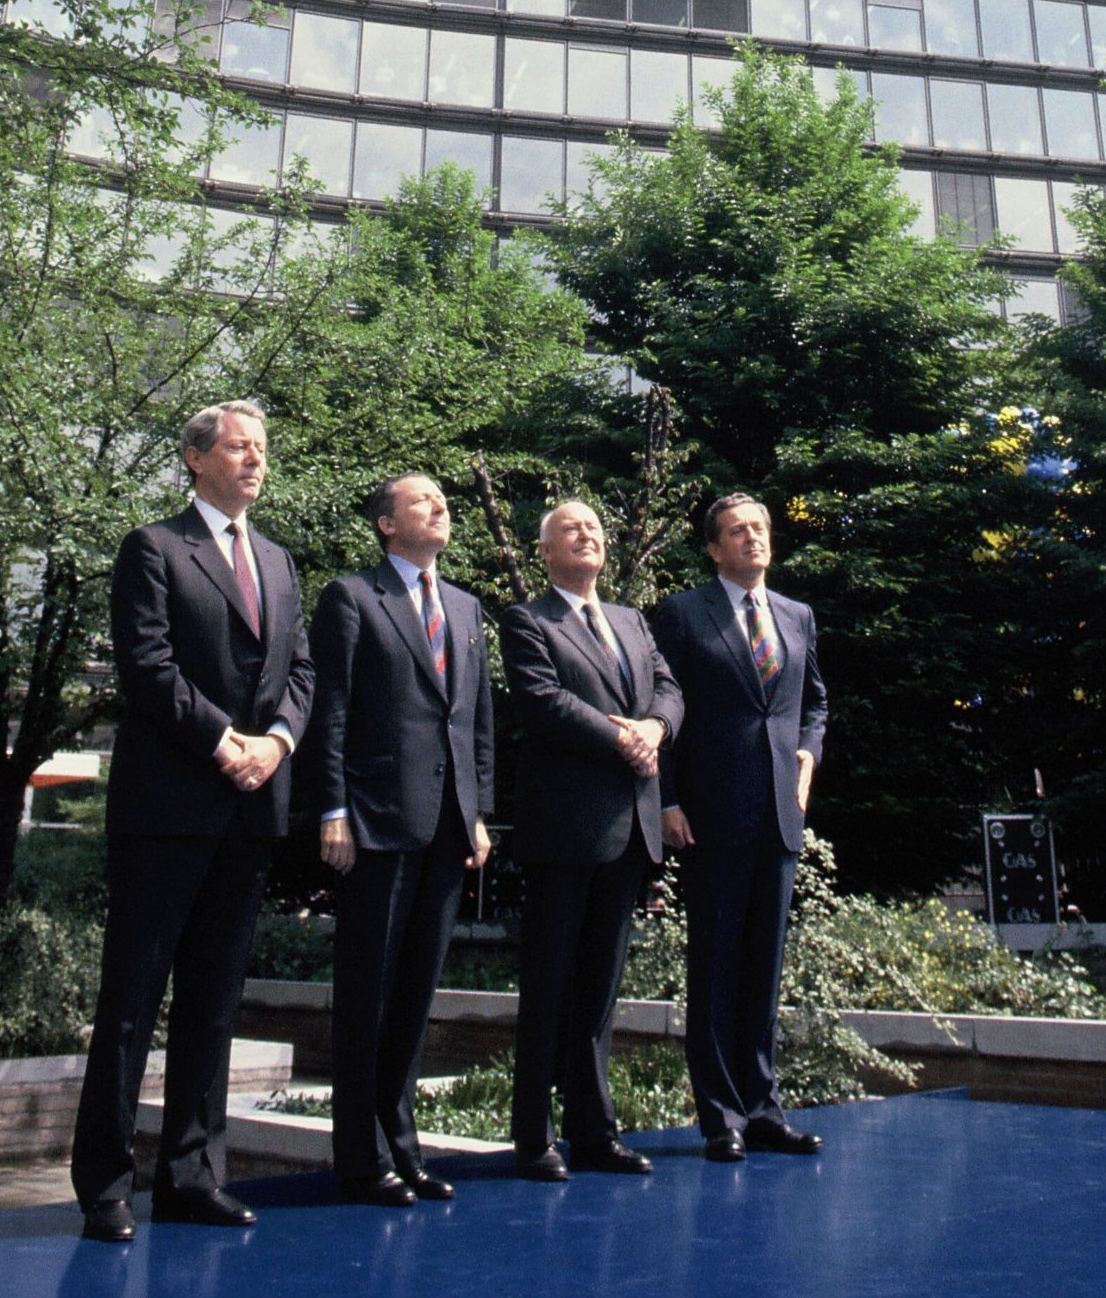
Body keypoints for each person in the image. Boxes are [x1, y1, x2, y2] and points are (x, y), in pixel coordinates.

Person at [71, 400, 314, 1247]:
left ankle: (190, 1175)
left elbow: (301, 674)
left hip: (250, 810)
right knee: (133, 999)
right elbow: (148, 666)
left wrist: (275, 744)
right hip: (168, 809)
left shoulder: (280, 564)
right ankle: (105, 1184)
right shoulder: (153, 548)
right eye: (239, 448)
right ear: (194, 458)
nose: (254, 461)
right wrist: (224, 742)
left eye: (262, 450)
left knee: (213, 1005)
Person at [310, 473, 493, 1206]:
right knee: (368, 996)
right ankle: (361, 1158)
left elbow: (474, 722)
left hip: (448, 827)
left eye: (441, 500)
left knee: (416, 994)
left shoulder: (466, 607)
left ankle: (404, 1147)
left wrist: (478, 810)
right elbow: (332, 710)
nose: (439, 506)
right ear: (386, 524)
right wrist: (332, 808)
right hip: (376, 824)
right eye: (421, 500)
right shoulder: (352, 597)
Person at [500, 499, 684, 1181]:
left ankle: (593, 1131)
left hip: (628, 829)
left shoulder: (633, 621)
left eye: (595, 530)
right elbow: (543, 702)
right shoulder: (527, 619)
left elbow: (667, 688)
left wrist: (656, 730)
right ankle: (532, 1137)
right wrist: (623, 737)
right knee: (547, 987)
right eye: (571, 529)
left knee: (600, 992)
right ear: (543, 551)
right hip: (565, 829)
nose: (587, 536)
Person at [652, 493, 828, 1162]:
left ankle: (763, 1110)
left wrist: (808, 754)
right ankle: (719, 1116)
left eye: (759, 528)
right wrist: (666, 799)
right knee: (717, 968)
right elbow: (661, 706)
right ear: (713, 547)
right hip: (709, 816)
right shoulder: (682, 613)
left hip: (779, 816)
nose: (752, 538)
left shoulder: (796, 616)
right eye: (737, 531)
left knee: (764, 969)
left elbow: (813, 703)